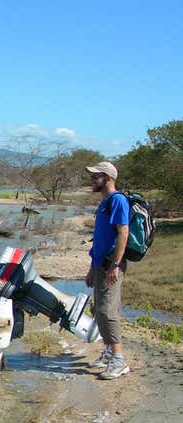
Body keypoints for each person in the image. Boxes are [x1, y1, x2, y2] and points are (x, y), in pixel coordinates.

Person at [85, 161, 130, 380]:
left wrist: (115, 264)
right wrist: (92, 268)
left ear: (108, 178)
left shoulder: (118, 200)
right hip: (100, 265)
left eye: (96, 177)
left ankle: (119, 360)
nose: (92, 180)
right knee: (99, 310)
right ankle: (109, 352)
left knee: (108, 311)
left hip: (112, 266)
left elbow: (123, 233)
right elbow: (100, 238)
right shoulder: (104, 202)